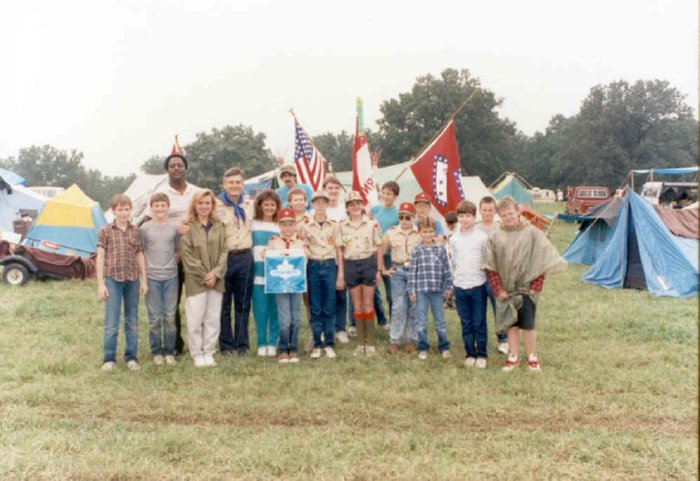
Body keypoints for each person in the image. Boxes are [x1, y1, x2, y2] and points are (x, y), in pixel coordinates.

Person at [482, 196, 566, 372]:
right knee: (511, 324)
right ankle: (513, 355)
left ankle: (531, 356)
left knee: (528, 325)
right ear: (499, 217)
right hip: (507, 290)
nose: (508, 217)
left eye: (510, 213)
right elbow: (491, 265)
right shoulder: (495, 237)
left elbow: (541, 261)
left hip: (527, 289)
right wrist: (498, 288)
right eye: (504, 215)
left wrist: (535, 286)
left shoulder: (533, 233)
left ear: (518, 212)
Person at [143, 153, 201, 355]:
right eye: (172, 165)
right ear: (167, 170)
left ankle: (199, 342)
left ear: (185, 168)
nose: (176, 168)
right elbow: (148, 220)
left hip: (194, 254)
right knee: (172, 304)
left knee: (196, 300)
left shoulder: (196, 192)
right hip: (171, 257)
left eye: (180, 165)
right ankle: (175, 344)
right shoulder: (160, 193)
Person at [96, 194, 148, 371]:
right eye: (120, 209)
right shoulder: (105, 230)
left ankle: (131, 357)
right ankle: (109, 358)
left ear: (131, 210)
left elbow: (140, 255)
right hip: (113, 280)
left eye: (127, 209)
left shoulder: (136, 231)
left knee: (132, 321)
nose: (124, 213)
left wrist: (144, 280)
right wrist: (101, 283)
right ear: (113, 211)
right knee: (112, 322)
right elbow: (100, 256)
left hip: (132, 280)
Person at [180, 190, 228, 368]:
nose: (204, 206)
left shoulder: (219, 226)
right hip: (196, 281)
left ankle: (209, 351)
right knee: (195, 319)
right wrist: (204, 275)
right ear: (194, 205)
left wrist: (215, 273)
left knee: (212, 318)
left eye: (207, 203)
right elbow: (187, 255)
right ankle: (197, 353)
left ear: (212, 205)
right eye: (200, 203)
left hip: (217, 280)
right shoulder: (188, 227)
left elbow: (224, 251)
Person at [299, 190, 344, 358]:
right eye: (316, 202)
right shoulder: (305, 225)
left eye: (323, 201)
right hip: (313, 265)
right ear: (312, 204)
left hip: (330, 265)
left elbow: (339, 249)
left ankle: (329, 343)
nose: (319, 205)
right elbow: (301, 247)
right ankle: (317, 344)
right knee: (315, 306)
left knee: (329, 306)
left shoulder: (334, 225)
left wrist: (340, 274)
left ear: (327, 204)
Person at [216, 168, 255, 356]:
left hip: (245, 257)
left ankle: (241, 344)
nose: (234, 186)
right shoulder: (216, 205)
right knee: (223, 304)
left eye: (238, 182)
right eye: (230, 182)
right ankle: (226, 345)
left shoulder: (250, 204)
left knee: (243, 303)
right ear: (224, 184)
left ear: (242, 184)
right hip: (224, 258)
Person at [339, 190, 382, 356]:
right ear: (347, 207)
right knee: (356, 304)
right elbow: (340, 250)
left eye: (358, 203)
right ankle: (360, 343)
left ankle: (370, 343)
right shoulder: (341, 226)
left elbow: (378, 247)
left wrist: (379, 270)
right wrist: (342, 272)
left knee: (368, 303)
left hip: (368, 263)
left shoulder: (372, 223)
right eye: (351, 204)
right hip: (350, 264)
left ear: (362, 205)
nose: (355, 207)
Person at [140, 193, 179, 366]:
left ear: (168, 207)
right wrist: (144, 278)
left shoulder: (174, 227)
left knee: (170, 317)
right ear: (151, 208)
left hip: (171, 278)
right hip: (152, 278)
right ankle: (156, 351)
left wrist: (172, 264)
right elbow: (141, 253)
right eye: (156, 206)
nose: (160, 209)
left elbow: (178, 250)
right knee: (154, 318)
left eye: (163, 205)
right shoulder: (145, 229)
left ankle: (169, 351)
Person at [450, 200, 489, 368]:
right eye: (461, 216)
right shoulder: (454, 239)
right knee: (466, 322)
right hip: (460, 286)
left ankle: (482, 354)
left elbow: (486, 260)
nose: (464, 219)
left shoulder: (482, 238)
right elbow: (453, 261)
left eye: (468, 216)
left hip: (478, 285)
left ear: (474, 217)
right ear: (457, 217)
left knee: (479, 322)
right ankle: (470, 353)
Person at [265, 208, 306, 363]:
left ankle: (293, 348)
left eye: (290, 224)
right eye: (284, 224)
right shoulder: (273, 241)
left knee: (296, 318)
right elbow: (267, 256)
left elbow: (305, 259)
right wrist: (270, 255)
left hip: (296, 284)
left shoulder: (300, 242)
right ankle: (283, 348)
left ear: (295, 225)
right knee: (285, 319)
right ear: (279, 225)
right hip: (280, 285)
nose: (287, 228)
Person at [379, 202, 421, 354]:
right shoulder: (391, 232)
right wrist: (382, 269)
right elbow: (380, 250)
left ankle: (411, 339)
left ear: (413, 217)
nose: (404, 220)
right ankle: (395, 339)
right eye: (401, 217)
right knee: (398, 305)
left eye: (407, 217)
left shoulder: (419, 233)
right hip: (398, 270)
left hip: (415, 272)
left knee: (414, 305)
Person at [408, 217, 452, 360]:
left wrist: (449, 286)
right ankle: (423, 347)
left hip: (437, 291)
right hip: (421, 291)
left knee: (440, 320)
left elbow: (446, 269)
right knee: (421, 320)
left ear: (435, 232)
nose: (428, 234)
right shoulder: (417, 251)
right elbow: (412, 272)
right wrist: (411, 290)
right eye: (425, 232)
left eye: (430, 231)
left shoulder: (440, 249)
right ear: (420, 233)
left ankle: (444, 346)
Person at [475, 196, 508, 355]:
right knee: (478, 311)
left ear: (495, 211)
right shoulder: (475, 228)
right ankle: (479, 339)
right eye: (484, 210)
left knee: (499, 309)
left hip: (496, 275)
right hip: (478, 275)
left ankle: (503, 340)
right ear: (479, 211)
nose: (487, 213)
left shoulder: (501, 227)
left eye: (490, 210)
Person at [252, 189, 282, 357]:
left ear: (277, 207)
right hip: (258, 273)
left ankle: (272, 342)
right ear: (260, 206)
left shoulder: (280, 225)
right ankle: (261, 342)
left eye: (273, 205)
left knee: (275, 309)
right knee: (260, 309)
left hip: (276, 275)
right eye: (266, 204)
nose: (269, 208)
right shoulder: (253, 224)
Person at [321, 175, 350, 341]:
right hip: (325, 257)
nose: (333, 191)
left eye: (336, 188)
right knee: (326, 295)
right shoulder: (320, 210)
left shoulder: (345, 210)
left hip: (343, 256)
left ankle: (341, 328)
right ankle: (327, 327)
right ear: (324, 190)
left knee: (341, 294)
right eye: (330, 188)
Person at [369, 181, 400, 330]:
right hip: (372, 255)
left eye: (390, 193)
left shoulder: (398, 213)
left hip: (389, 257)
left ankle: (395, 324)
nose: (386, 196)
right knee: (371, 290)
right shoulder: (375, 209)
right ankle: (382, 320)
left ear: (395, 196)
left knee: (390, 294)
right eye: (384, 192)